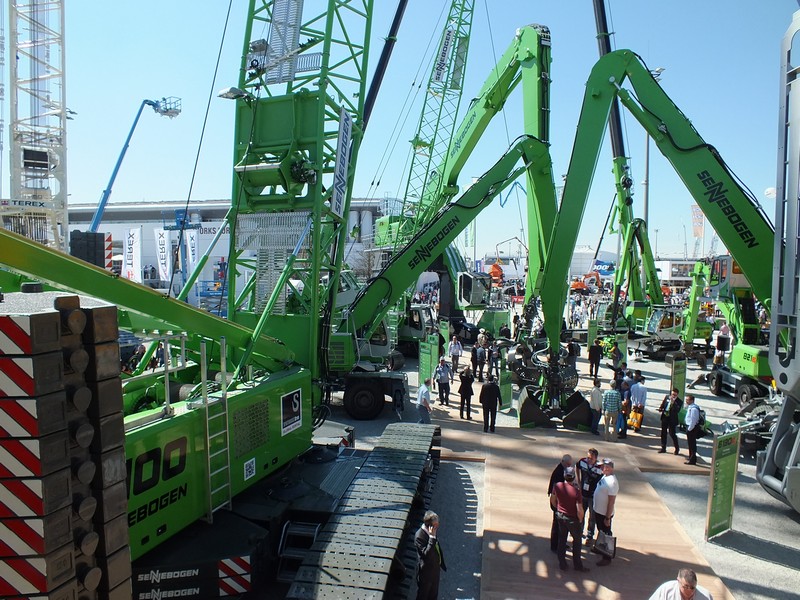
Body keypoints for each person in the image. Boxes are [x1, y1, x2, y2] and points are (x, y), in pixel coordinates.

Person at [550, 466, 589, 572]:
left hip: (561, 516)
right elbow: (579, 509)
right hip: (573, 519)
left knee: (562, 540)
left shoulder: (557, 486)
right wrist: (580, 519)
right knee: (577, 541)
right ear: (574, 477)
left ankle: (562, 563)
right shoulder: (576, 492)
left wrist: (558, 509)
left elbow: (553, 499)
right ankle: (577, 565)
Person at [414, 511, 447, 600]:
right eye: (436, 525)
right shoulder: (419, 536)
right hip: (426, 573)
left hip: (435, 570)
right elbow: (426, 554)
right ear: (430, 526)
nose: (438, 526)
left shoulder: (433, 531)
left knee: (433, 594)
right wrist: (432, 538)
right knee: (423, 595)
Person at [593, 459, 619, 567]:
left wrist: (607, 517)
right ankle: (600, 548)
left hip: (604, 513)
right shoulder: (605, 476)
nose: (602, 468)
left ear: (610, 468)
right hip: (599, 511)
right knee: (601, 532)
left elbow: (611, 501)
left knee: (606, 534)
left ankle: (607, 556)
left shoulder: (612, 482)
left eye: (604, 467)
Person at [577, 448, 604, 540]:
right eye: (588, 457)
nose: (589, 460)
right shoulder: (582, 462)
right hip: (583, 494)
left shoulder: (600, 467)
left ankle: (590, 534)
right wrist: (579, 481)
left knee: (592, 517)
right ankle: (579, 532)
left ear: (596, 458)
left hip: (593, 496)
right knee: (581, 513)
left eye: (591, 459)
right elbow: (577, 466)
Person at [547, 454, 573, 552]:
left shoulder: (561, 469)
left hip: (558, 502)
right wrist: (556, 505)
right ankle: (555, 546)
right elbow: (555, 491)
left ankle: (560, 544)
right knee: (557, 524)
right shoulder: (559, 472)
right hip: (557, 502)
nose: (569, 466)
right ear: (565, 463)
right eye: (569, 464)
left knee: (560, 525)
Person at [649, 567, 714, 600]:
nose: (689, 591)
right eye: (685, 587)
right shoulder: (666, 590)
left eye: (692, 587)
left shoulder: (706, 596)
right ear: (678, 581)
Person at [658, 388, 683, 454]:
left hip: (672, 419)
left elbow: (677, 410)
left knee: (672, 434)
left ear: (677, 395)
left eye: (675, 395)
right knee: (663, 432)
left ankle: (677, 448)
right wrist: (661, 408)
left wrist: (673, 402)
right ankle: (663, 447)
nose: (673, 396)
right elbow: (663, 404)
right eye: (672, 394)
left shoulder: (679, 401)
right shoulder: (667, 397)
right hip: (665, 417)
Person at [684, 394, 701, 465]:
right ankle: (691, 456)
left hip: (692, 428)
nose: (686, 401)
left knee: (692, 444)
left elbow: (693, 420)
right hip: (690, 427)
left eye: (688, 400)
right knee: (690, 444)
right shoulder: (690, 407)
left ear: (692, 400)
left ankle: (692, 460)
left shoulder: (694, 409)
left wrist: (690, 429)